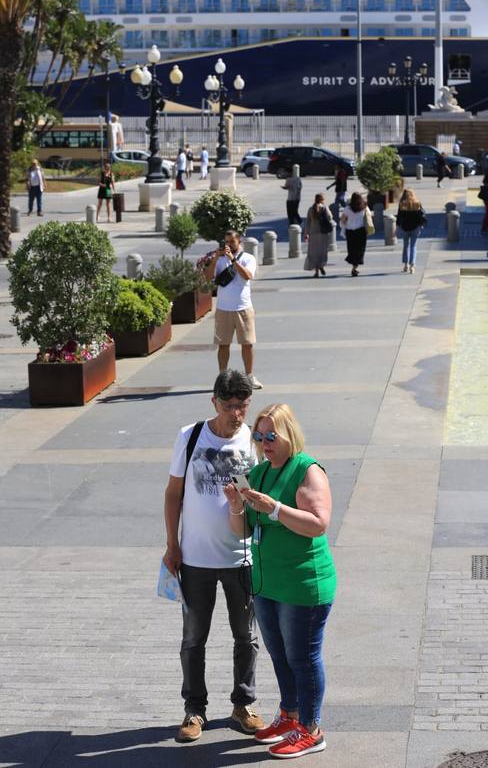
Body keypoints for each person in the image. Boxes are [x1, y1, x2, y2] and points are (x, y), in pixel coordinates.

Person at [224, 403, 336, 760]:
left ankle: (311, 728)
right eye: (259, 436)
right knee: (280, 655)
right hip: (267, 583)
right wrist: (236, 506)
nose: (264, 442)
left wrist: (274, 508)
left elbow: (318, 523)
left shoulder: (308, 470)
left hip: (303, 585)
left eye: (271, 436)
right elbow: (242, 531)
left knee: (303, 657)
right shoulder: (257, 474)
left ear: (289, 434)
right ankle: (289, 716)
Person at [164, 371, 265, 743]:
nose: (236, 414)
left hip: (241, 557)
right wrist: (172, 545)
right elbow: (173, 493)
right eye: (229, 406)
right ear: (214, 401)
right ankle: (194, 710)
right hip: (195, 559)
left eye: (242, 405)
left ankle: (244, 703)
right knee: (193, 639)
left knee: (246, 637)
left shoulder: (254, 440)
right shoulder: (190, 436)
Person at [206, 229, 263, 390]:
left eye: (232, 242)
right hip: (223, 308)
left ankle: (249, 376)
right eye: (226, 242)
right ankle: (222, 379)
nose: (228, 245)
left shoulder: (248, 258)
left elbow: (247, 276)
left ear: (240, 242)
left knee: (247, 344)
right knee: (223, 345)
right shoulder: (219, 259)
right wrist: (215, 259)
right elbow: (208, 277)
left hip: (243, 307)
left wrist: (233, 260)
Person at [340, 190, 372, 277]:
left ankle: (354, 267)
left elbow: (342, 220)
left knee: (352, 250)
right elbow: (369, 216)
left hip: (350, 232)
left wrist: (347, 221)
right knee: (360, 250)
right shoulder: (364, 207)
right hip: (361, 232)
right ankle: (355, 267)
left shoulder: (347, 209)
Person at [396, 188, 426, 274]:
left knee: (406, 246)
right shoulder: (417, 203)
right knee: (413, 246)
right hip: (415, 228)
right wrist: (421, 225)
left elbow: (399, 216)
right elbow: (422, 215)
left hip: (405, 227)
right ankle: (412, 266)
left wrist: (398, 226)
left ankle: (406, 265)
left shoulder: (402, 204)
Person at [304, 193, 333, 278]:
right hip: (323, 233)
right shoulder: (324, 208)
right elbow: (330, 217)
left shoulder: (311, 209)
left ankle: (316, 271)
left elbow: (308, 222)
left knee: (314, 253)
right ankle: (321, 265)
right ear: (322, 200)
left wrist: (306, 233)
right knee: (322, 251)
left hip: (313, 233)